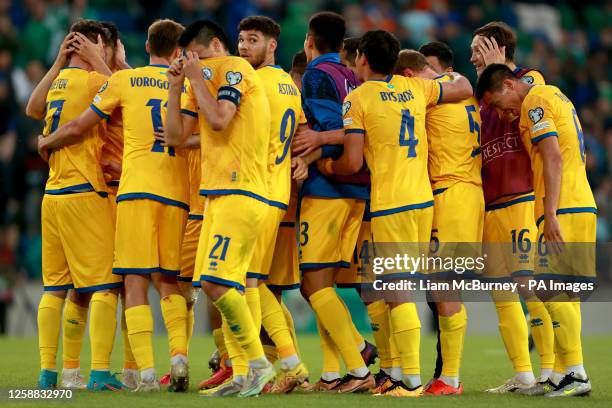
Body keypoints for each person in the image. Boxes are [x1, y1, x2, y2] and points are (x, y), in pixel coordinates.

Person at [319, 30, 473, 397]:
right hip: (423, 201)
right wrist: (440, 76)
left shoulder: (357, 98)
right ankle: (403, 374)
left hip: (392, 203)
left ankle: (410, 381)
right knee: (400, 288)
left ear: (364, 61)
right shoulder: (417, 89)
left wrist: (327, 166)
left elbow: (353, 160)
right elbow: (464, 86)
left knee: (398, 290)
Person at [39, 19, 190, 392]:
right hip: (158, 191)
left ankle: (89, 373)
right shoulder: (183, 86)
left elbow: (60, 115)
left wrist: (46, 142)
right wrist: (113, 63)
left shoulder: (116, 81)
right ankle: (151, 363)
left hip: (121, 189)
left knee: (113, 283)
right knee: (151, 281)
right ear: (177, 52)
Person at [164, 19, 275, 398]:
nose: (193, 64)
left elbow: (219, 119)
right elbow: (177, 138)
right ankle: (243, 373)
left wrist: (195, 78)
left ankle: (260, 366)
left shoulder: (237, 69)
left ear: (212, 45)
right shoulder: (204, 79)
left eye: (193, 56)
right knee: (229, 286)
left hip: (241, 190)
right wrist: (177, 84)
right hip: (216, 194)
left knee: (215, 283)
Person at [476, 63, 595, 398]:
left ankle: (575, 373)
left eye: (499, 103)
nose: (502, 112)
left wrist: (550, 211)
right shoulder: (557, 95)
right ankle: (563, 373)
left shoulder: (534, 100)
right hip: (580, 199)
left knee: (552, 291)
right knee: (563, 293)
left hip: (564, 205)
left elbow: (552, 156)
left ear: (510, 84)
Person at [27, 20, 123, 391]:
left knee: (55, 288)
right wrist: (98, 59)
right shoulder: (94, 81)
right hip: (85, 190)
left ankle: (48, 373)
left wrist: (57, 63)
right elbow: (119, 92)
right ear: (97, 44)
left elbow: (34, 109)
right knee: (104, 286)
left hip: (52, 196)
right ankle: (99, 373)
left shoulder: (59, 84)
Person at [470, 21, 555, 394]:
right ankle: (523, 374)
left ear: (498, 49)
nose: (472, 55)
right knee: (501, 293)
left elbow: (531, 96)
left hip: (521, 197)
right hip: (491, 205)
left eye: (478, 48)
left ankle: (553, 372)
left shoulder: (529, 82)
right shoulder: (483, 99)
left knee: (529, 285)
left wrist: (499, 67)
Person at [293, 11, 375, 393]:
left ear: (310, 40)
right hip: (359, 190)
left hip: (329, 189)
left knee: (314, 284)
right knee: (320, 286)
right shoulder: (352, 76)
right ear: (344, 45)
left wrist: (315, 146)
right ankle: (331, 372)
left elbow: (328, 130)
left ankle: (358, 365)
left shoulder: (317, 75)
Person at [394, 48, 483, 396]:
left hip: (451, 190)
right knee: (442, 286)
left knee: (444, 287)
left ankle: (451, 378)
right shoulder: (457, 86)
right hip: (466, 192)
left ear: (410, 75)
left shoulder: (432, 94)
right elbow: (461, 83)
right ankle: (448, 376)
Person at [237, 15, 309, 393]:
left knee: (245, 281)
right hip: (278, 193)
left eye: (253, 40)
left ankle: (272, 363)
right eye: (242, 40)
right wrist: (303, 160)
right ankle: (285, 359)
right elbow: (299, 133)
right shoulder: (288, 85)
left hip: (255, 190)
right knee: (256, 281)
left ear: (272, 45)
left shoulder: (253, 83)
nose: (244, 46)